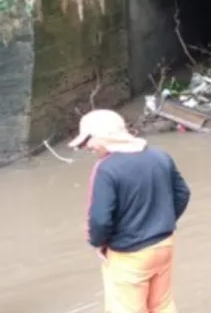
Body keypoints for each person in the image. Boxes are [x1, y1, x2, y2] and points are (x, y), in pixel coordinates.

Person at [68, 109, 191, 313]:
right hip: (164, 245)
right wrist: (162, 221)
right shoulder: (160, 156)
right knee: (162, 306)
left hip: (129, 253)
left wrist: (98, 243)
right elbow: (183, 194)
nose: (87, 146)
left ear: (103, 136)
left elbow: (100, 220)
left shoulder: (106, 168)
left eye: (88, 140)